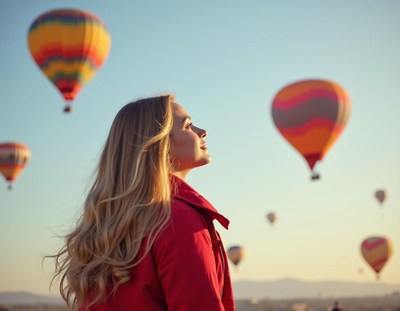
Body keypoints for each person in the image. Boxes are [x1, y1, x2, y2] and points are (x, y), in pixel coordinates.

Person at [50, 94, 236, 311]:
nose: (202, 132)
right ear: (159, 144)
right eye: (188, 126)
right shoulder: (178, 219)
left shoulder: (112, 222)